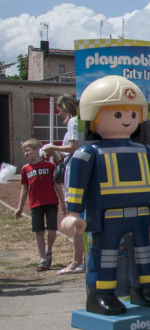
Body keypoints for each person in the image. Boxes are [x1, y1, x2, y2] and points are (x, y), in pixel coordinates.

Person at [62, 76, 150, 316]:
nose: (127, 120)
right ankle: (101, 295)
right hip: (106, 217)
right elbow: (77, 185)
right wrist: (73, 213)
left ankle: (145, 289)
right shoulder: (88, 153)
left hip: (141, 214)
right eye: (118, 114)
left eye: (132, 114)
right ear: (94, 116)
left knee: (144, 253)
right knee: (104, 255)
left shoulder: (146, 152)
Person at [41, 94, 85, 274]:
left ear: (65, 106)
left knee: (75, 215)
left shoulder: (73, 122)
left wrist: (53, 148)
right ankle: (79, 259)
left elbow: (74, 147)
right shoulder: (79, 121)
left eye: (59, 108)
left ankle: (77, 261)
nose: (58, 112)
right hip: (74, 166)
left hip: (74, 170)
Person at [15, 139, 65, 271]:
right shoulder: (25, 169)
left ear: (37, 150)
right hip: (35, 204)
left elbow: (57, 186)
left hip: (51, 202)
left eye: (28, 150)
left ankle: (49, 251)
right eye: (24, 151)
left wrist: (63, 203)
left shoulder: (50, 166)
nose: (25, 153)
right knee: (39, 231)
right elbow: (24, 188)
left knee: (52, 229)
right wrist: (19, 208)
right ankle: (42, 258)